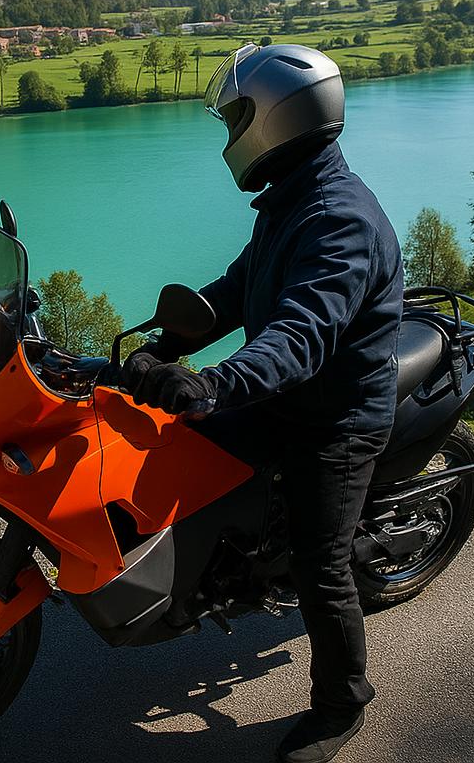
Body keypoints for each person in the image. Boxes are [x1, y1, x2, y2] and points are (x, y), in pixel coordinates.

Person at [123, 43, 403, 763]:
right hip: (282, 397)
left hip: (333, 417)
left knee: (323, 566)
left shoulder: (339, 220)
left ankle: (342, 705)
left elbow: (300, 335)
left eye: (234, 119)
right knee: (168, 452)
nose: (228, 135)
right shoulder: (290, 198)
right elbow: (236, 290)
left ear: (275, 119)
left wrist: (213, 384)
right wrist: (164, 345)